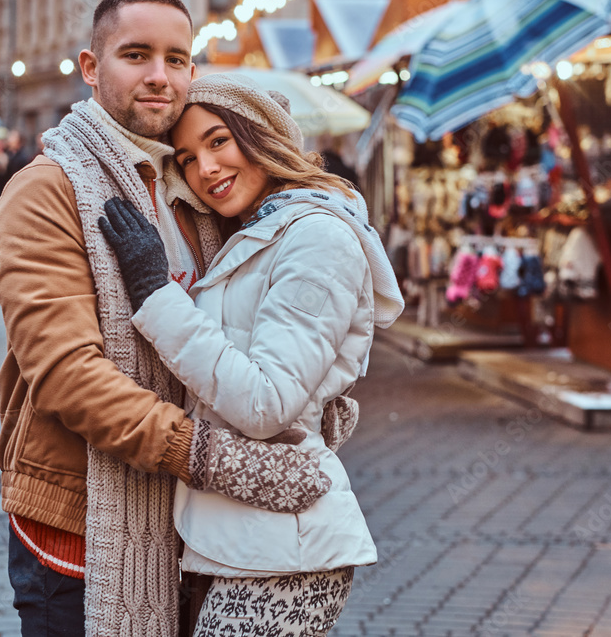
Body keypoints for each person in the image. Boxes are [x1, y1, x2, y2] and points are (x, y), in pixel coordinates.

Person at [0, 0, 332, 637]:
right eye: (136, 55)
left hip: (190, 523)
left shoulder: (196, 193)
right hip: (77, 521)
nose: (158, 76)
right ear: (92, 68)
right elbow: (66, 374)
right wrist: (204, 452)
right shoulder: (47, 191)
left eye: (177, 59)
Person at [98, 73, 406, 635]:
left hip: (285, 558)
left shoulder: (317, 238)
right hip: (238, 542)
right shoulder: (258, 233)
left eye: (219, 141)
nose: (206, 169)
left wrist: (155, 293)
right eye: (187, 158)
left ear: (261, 136)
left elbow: (266, 402)